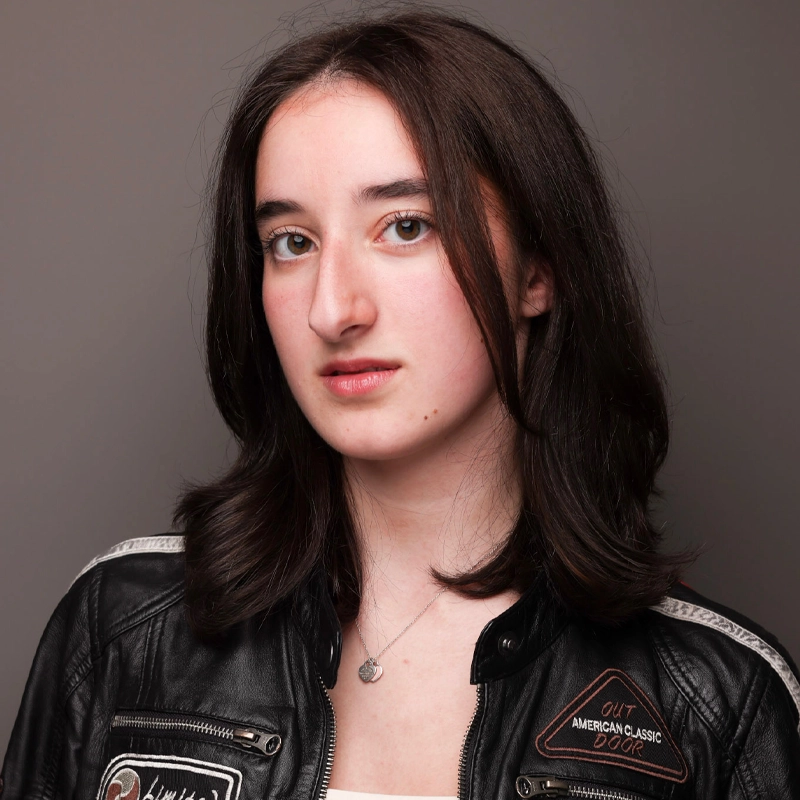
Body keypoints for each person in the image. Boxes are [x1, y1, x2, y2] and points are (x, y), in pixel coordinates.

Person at [2, 7, 798, 799]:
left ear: (537, 269)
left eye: (406, 226)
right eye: (292, 242)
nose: (333, 309)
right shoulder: (123, 625)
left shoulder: (715, 700)